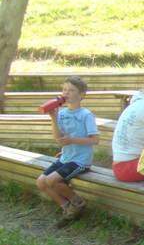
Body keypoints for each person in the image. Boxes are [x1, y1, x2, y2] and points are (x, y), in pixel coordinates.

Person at [36, 76, 100, 228]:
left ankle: (78, 202)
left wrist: (72, 140)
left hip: (80, 161)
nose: (66, 93)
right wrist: (54, 118)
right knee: (41, 182)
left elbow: (95, 140)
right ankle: (68, 208)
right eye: (64, 89)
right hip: (66, 158)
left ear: (81, 95)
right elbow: (57, 137)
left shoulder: (86, 115)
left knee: (52, 180)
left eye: (71, 90)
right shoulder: (62, 113)